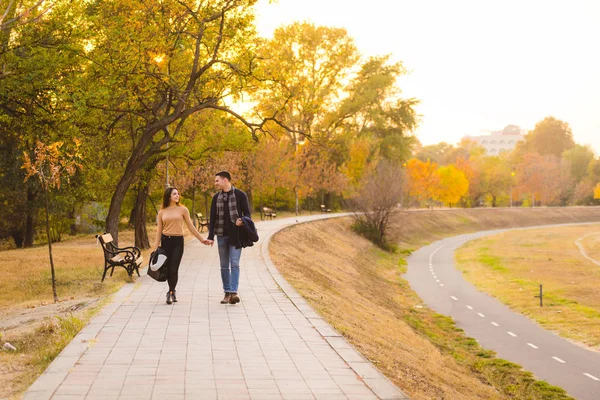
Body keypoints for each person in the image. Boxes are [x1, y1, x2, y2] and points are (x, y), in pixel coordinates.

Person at [152, 186, 211, 304]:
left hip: (178, 242)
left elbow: (190, 226)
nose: (177, 195)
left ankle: (171, 291)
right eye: (174, 194)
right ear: (169, 196)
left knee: (174, 269)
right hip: (165, 241)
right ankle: (171, 291)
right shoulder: (162, 212)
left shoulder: (183, 210)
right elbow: (159, 231)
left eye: (178, 194)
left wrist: (201, 239)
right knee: (168, 269)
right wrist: (155, 249)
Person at [206, 171, 251, 305]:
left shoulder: (240, 195)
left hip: (236, 235)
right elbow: (213, 217)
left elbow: (248, 213)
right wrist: (210, 236)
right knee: (224, 265)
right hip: (221, 235)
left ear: (225, 180)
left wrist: (242, 220)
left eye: (217, 181)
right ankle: (227, 292)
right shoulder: (216, 198)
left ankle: (233, 292)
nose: (215, 183)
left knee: (235, 263)